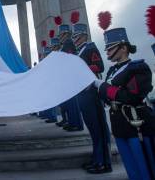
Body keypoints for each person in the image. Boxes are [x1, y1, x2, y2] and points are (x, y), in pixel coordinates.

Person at [94, 27, 155, 180]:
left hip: (136, 124)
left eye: (110, 48)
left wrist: (104, 88)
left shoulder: (139, 68)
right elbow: (109, 97)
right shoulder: (111, 71)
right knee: (131, 168)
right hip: (119, 125)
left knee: (144, 167)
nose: (107, 52)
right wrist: (107, 90)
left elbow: (131, 96)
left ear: (123, 48)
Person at [72, 23, 112, 173]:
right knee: (93, 130)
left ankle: (103, 163)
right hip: (83, 92)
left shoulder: (90, 48)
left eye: (77, 36)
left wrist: (82, 69)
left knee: (98, 128)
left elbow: (99, 66)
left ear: (84, 35)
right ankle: (97, 158)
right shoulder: (80, 51)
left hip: (91, 92)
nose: (75, 39)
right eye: (74, 37)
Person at [56, 23, 83, 131]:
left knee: (72, 103)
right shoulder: (65, 45)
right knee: (68, 103)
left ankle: (76, 124)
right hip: (66, 77)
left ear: (66, 34)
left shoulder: (68, 43)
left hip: (70, 77)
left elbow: (70, 59)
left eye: (61, 35)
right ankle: (72, 122)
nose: (59, 37)